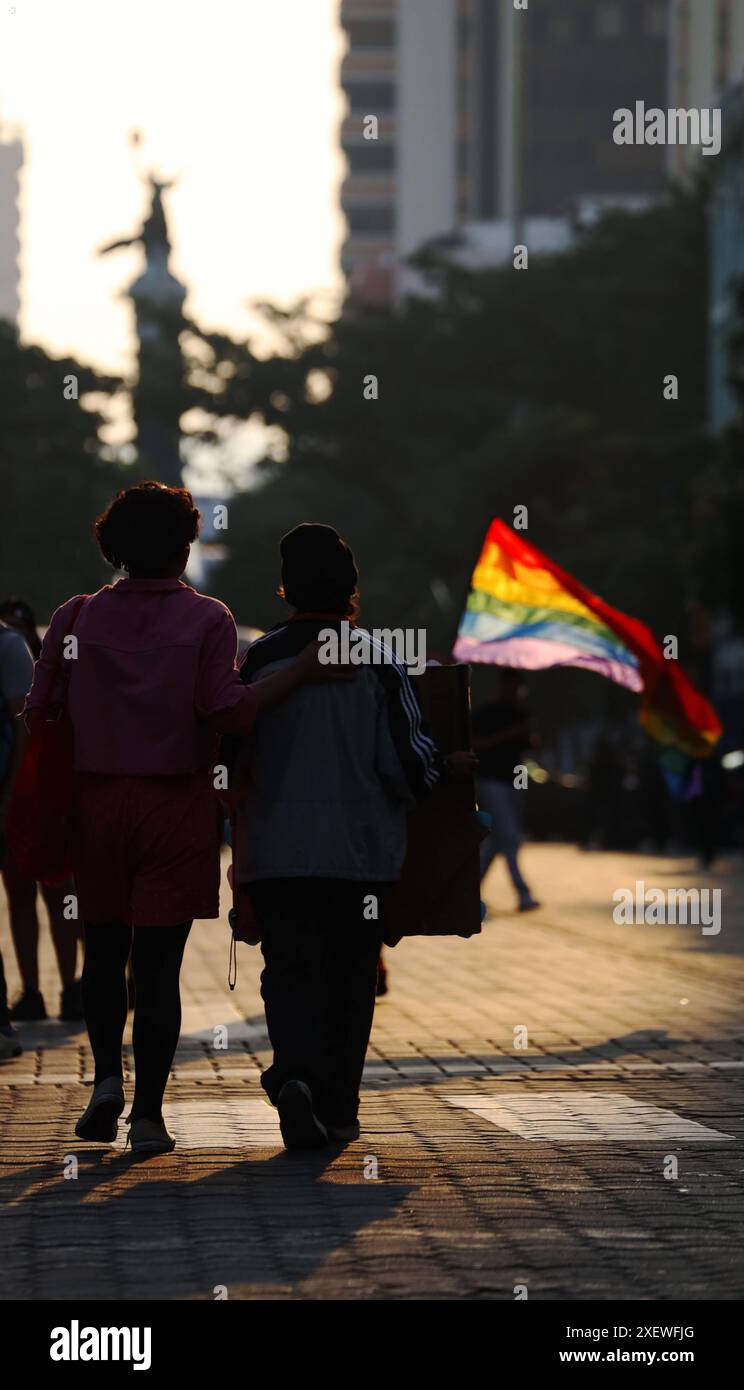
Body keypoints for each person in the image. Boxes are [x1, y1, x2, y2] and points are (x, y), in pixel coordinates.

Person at [24, 483, 349, 1155]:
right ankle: (147, 1115)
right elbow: (229, 711)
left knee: (106, 952)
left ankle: (105, 1081)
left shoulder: (76, 616)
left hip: (94, 802)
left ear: (112, 546)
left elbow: (39, 708)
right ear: (184, 545)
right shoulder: (208, 620)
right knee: (159, 968)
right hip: (176, 805)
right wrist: (300, 674)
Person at [228, 523, 476, 1150]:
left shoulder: (258, 660)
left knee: (288, 971)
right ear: (351, 593)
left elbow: (234, 752)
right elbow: (407, 765)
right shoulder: (379, 661)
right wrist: (451, 769)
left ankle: (294, 1075)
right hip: (358, 858)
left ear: (286, 588)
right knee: (350, 978)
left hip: (278, 856)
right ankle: (336, 1108)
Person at [0, 598, 82, 1022]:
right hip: (35, 788)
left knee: (55, 891)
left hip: (36, 791)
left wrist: (15, 793)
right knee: (26, 894)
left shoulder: (16, 653)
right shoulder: (34, 657)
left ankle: (65, 987)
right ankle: (43, 990)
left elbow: (24, 729)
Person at [472, 670, 540, 912]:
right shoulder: (485, 713)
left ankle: (470, 890)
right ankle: (522, 893)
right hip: (490, 781)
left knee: (496, 841)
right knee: (510, 836)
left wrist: (527, 733)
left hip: (515, 781)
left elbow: (531, 745)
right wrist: (505, 736)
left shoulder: (521, 714)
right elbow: (475, 744)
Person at [0, 618, 34, 1059]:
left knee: (21, 894)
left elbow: (25, 727)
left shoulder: (8, 646)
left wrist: (12, 795)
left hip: (4, 793)